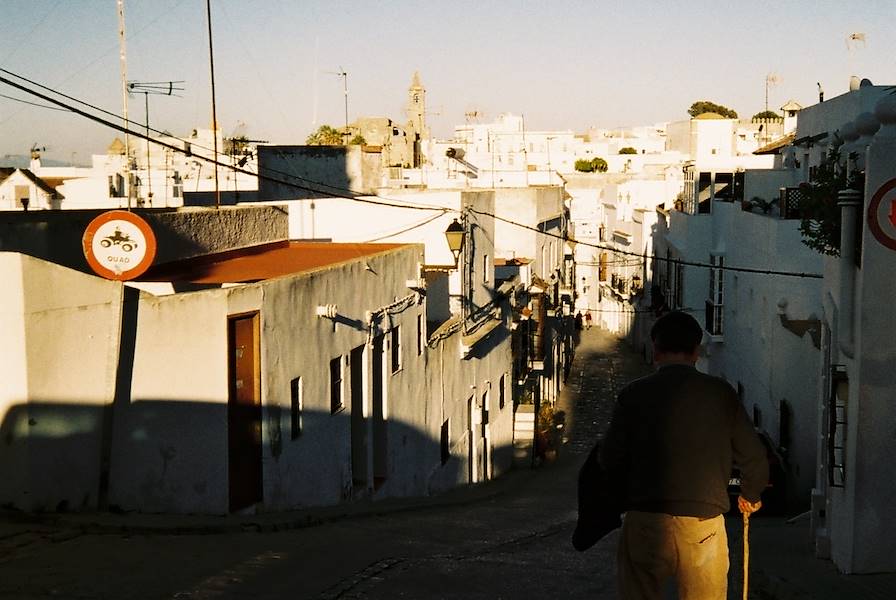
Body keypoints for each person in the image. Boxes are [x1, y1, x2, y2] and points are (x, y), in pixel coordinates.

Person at [600, 311, 768, 600]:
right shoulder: (720, 394)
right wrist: (751, 495)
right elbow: (754, 457)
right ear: (696, 351)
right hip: (703, 525)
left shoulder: (632, 395)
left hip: (645, 520)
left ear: (656, 350)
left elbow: (609, 459)